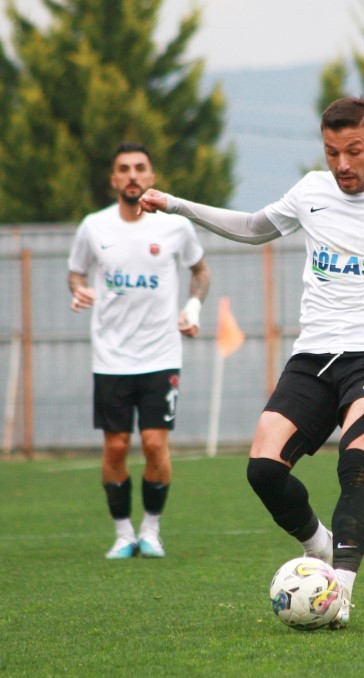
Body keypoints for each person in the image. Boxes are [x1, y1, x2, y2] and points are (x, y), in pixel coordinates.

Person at [138, 96, 364, 628]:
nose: (343, 165)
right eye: (332, 152)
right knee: (263, 470)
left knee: (355, 459)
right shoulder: (311, 192)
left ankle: (339, 591)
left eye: (354, 151)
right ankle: (320, 546)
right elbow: (252, 227)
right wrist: (178, 204)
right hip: (313, 355)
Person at [68, 142, 211, 560]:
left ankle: (150, 530)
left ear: (152, 177)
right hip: (111, 357)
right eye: (123, 169)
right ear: (113, 180)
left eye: (140, 168)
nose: (132, 175)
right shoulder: (93, 227)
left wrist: (192, 305)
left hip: (161, 355)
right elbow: (76, 272)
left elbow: (199, 269)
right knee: (115, 446)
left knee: (153, 444)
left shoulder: (175, 228)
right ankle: (121, 533)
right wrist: (79, 291)